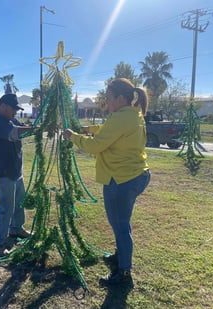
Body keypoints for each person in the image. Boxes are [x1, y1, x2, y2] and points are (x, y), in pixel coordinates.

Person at [62, 78, 151, 286]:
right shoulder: (131, 114)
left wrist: (73, 136)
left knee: (120, 225)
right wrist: (87, 129)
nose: (106, 102)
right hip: (134, 174)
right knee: (120, 223)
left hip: (122, 179)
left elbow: (96, 146)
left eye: (109, 98)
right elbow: (106, 131)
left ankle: (124, 272)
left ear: (121, 98)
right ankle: (120, 257)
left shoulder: (121, 118)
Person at [0, 93, 32, 256]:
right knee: (5, 207)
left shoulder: (10, 119)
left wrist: (37, 127)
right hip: (2, 172)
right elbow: (15, 133)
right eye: (13, 109)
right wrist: (40, 128)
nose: (15, 113)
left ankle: (16, 229)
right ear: (3, 106)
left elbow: (23, 129)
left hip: (15, 170)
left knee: (19, 202)